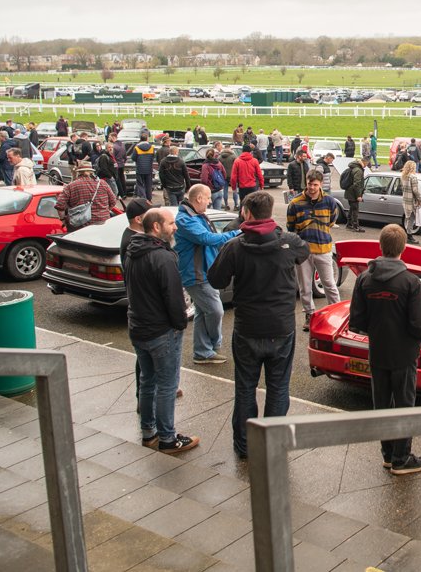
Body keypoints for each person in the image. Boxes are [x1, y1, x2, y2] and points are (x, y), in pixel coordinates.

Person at [207, 190, 305, 460]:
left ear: (246, 213)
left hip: (248, 327)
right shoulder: (289, 242)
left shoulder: (235, 246)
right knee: (278, 387)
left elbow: (215, 279)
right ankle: (272, 444)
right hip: (280, 327)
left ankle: (244, 445)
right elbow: (303, 253)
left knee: (245, 387)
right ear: (270, 212)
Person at [348, 224, 421, 475]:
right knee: (405, 404)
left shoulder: (365, 278)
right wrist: (419, 339)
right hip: (404, 353)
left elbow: (357, 320)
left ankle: (387, 454)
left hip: (378, 351)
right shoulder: (410, 282)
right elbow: (420, 324)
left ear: (380, 248)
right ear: (403, 248)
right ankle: (402, 458)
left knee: (382, 403)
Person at [125, 208, 199, 454]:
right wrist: (180, 323)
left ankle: (149, 433)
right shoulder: (163, 257)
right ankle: (168, 439)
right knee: (167, 385)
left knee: (147, 381)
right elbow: (173, 297)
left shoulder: (133, 250)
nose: (175, 227)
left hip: (138, 327)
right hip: (161, 331)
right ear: (156, 227)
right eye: (170, 223)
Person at [176, 184, 240, 365]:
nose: (211, 201)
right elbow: (207, 239)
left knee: (203, 312)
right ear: (198, 199)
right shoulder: (186, 220)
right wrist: (238, 233)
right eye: (208, 197)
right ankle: (212, 346)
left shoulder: (195, 216)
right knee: (215, 310)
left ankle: (203, 352)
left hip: (205, 272)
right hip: (196, 275)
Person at [287, 171, 341, 326]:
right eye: (310, 184)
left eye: (315, 184)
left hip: (323, 250)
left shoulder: (330, 202)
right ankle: (309, 315)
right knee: (304, 287)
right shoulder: (295, 203)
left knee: (329, 284)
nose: (312, 187)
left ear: (321, 184)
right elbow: (291, 227)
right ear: (306, 182)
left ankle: (336, 313)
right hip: (303, 252)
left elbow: (331, 221)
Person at [55, 163, 118, 231]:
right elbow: (113, 201)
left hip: (80, 226)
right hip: (102, 224)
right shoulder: (103, 183)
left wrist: (63, 219)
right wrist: (103, 211)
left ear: (78, 173)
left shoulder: (71, 186)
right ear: (91, 172)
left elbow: (60, 205)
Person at [399, 160, 421, 245]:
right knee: (411, 219)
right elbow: (415, 190)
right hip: (412, 201)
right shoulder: (413, 177)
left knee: (408, 218)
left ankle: (407, 235)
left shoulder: (404, 176)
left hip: (405, 200)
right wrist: (420, 199)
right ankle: (409, 236)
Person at [131, 134, 157, 201]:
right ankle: (149, 198)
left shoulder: (137, 148)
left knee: (140, 184)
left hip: (140, 169)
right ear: (147, 139)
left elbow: (133, 158)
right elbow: (153, 156)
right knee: (148, 184)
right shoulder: (151, 147)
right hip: (148, 169)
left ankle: (143, 198)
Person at [344, 157, 367, 232]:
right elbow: (356, 184)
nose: (367, 165)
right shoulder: (358, 170)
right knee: (355, 210)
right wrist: (358, 196)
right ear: (364, 162)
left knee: (352, 209)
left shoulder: (354, 167)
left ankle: (349, 224)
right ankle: (355, 226)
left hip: (349, 192)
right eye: (367, 163)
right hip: (353, 193)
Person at [217, 142, 237, 209]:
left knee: (225, 190)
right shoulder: (233, 156)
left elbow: (218, 167)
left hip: (224, 176)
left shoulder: (219, 157)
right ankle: (236, 205)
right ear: (230, 148)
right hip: (232, 175)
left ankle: (226, 205)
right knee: (234, 190)